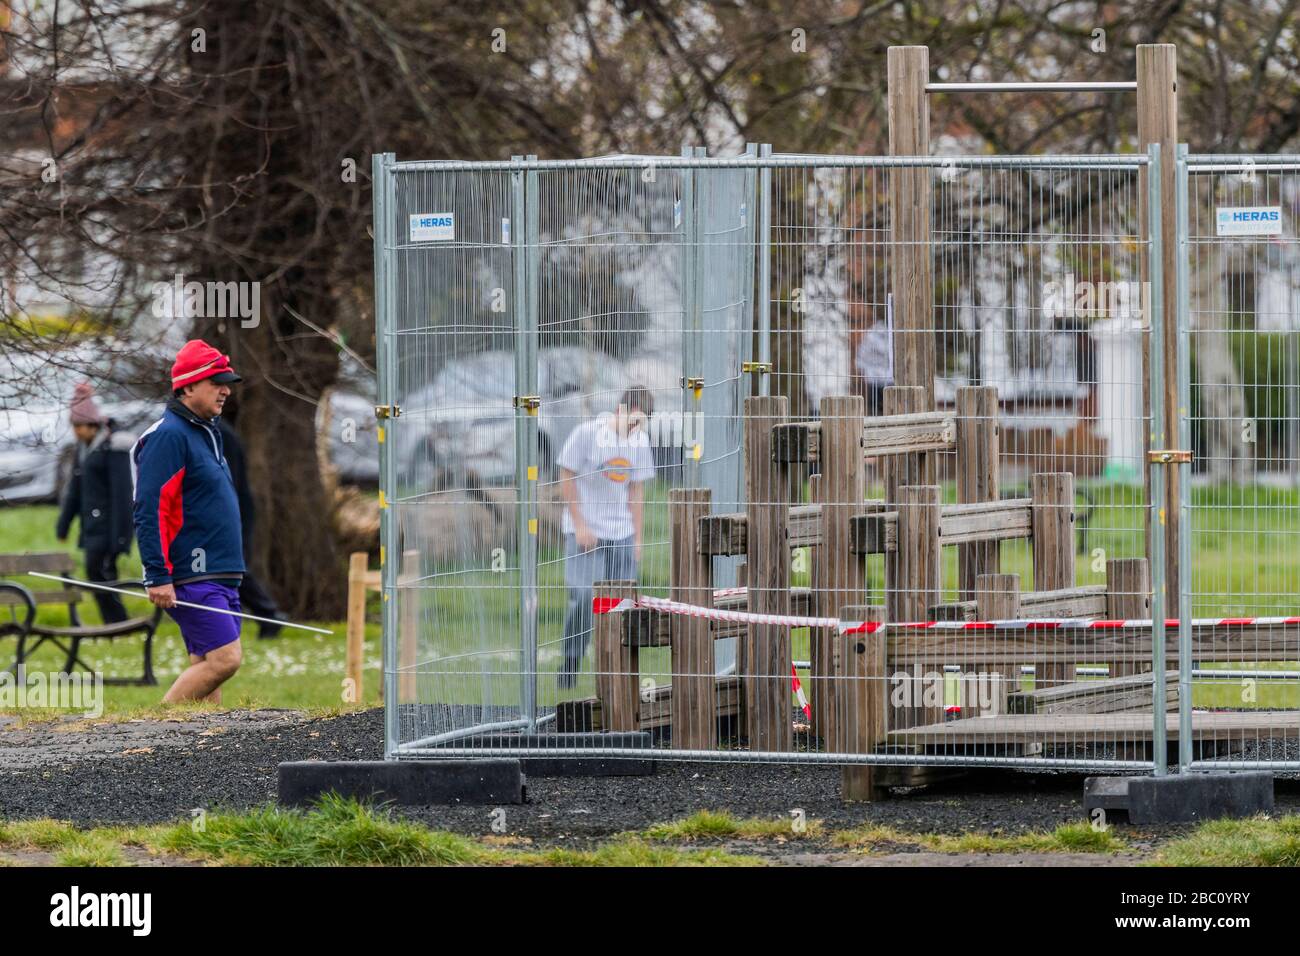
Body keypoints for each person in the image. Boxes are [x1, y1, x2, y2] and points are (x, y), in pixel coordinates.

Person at [131, 340, 246, 703]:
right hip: (194, 573)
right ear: (190, 385)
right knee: (225, 660)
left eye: (228, 383)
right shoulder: (168, 436)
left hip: (220, 572)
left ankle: (205, 737)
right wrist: (157, 574)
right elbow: (149, 509)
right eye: (217, 382)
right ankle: (155, 731)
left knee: (207, 664)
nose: (226, 390)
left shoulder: (206, 431)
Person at [556, 386, 656, 689]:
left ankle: (616, 673)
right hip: (586, 531)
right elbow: (566, 475)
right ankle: (570, 662)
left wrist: (637, 539)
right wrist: (580, 524)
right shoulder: (587, 434)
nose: (635, 428)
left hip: (621, 533)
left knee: (621, 603)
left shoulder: (640, 442)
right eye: (633, 421)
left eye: (641, 423)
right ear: (619, 410)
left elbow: (636, 490)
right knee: (584, 597)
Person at [55, 383, 134, 624]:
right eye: (74, 426)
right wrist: (63, 525)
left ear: (92, 425)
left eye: (79, 426)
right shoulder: (84, 450)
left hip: (109, 527)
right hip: (92, 526)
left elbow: (122, 494)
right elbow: (75, 490)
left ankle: (118, 622)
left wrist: (121, 537)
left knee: (101, 572)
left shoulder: (112, 448)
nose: (76, 432)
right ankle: (115, 623)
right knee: (97, 573)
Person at [216, 414, 288, 639]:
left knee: (234, 567)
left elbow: (229, 479)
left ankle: (269, 614)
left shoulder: (220, 434)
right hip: (231, 509)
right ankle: (268, 614)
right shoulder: (213, 431)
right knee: (232, 567)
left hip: (233, 510)